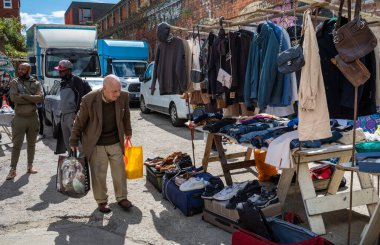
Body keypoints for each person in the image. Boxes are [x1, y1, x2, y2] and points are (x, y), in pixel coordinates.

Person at [70, 74, 132, 213]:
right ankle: (102, 201)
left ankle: (122, 197)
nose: (117, 94)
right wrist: (73, 139)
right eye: (114, 91)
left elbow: (126, 115)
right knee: (98, 174)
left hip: (115, 141)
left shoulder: (123, 97)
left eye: (119, 90)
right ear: (104, 89)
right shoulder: (89, 99)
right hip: (96, 143)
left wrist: (128, 131)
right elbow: (79, 122)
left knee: (120, 172)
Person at [6, 63, 43, 180]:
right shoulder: (14, 82)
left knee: (31, 144)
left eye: (23, 69)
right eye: (19, 69)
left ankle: (29, 166)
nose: (20, 71)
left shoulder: (36, 83)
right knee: (17, 145)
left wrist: (24, 96)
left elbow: (40, 98)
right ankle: (13, 170)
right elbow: (13, 98)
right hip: (19, 118)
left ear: (28, 70)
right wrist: (32, 98)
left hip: (32, 118)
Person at [54, 60, 91, 153]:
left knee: (77, 141)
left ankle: (82, 164)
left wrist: (77, 113)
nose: (60, 72)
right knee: (68, 143)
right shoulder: (63, 81)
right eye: (59, 71)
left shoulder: (76, 80)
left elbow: (80, 96)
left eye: (62, 70)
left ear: (68, 70)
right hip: (64, 115)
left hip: (73, 115)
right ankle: (72, 163)